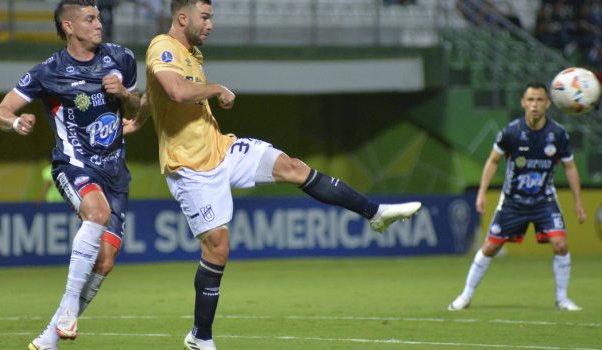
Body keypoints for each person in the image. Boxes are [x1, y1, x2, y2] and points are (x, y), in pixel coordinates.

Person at [140, 1, 422, 349]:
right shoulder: (162, 46)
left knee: (293, 167)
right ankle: (200, 337)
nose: (211, 23)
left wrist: (137, 120)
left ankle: (375, 214)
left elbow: (153, 94)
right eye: (205, 17)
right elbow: (174, 91)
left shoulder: (192, 53)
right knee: (218, 248)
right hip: (189, 168)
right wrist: (216, 88)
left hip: (220, 149)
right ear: (183, 17)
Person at [0, 1, 140, 349]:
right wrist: (15, 122)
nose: (99, 24)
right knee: (97, 213)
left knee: (104, 261)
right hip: (73, 165)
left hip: (116, 173)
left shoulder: (121, 58)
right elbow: (1, 111)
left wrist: (126, 95)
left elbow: (139, 107)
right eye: (89, 19)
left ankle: (49, 339)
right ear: (69, 27)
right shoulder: (48, 71)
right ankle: (69, 307)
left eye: (99, 17)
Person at [448, 82, 587, 312]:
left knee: (560, 244)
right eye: (530, 100)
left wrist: (578, 202)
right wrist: (482, 192)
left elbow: (570, 167)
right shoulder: (511, 132)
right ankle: (465, 296)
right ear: (523, 102)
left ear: (547, 104)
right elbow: (493, 161)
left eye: (539, 100)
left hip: (544, 200)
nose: (534, 105)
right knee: (490, 247)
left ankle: (562, 299)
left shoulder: (558, 134)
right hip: (513, 202)